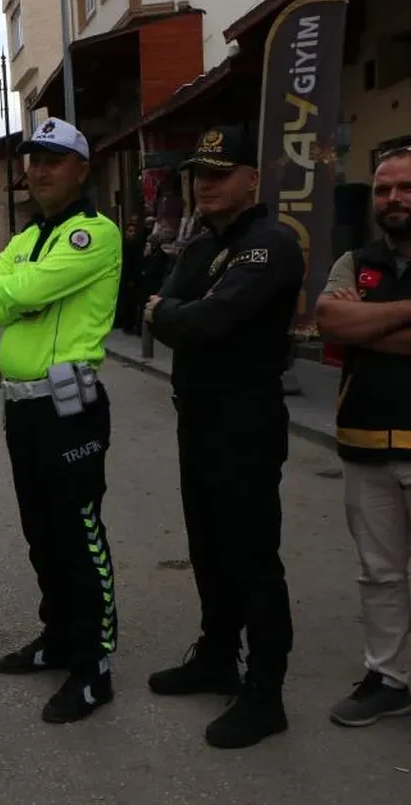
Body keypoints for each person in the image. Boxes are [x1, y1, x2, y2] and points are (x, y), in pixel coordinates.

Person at [144, 125, 305, 749]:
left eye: (218, 173)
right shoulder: (200, 246)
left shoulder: (270, 245)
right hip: (198, 416)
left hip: (246, 420)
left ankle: (266, 691)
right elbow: (152, 305)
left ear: (251, 179)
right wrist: (174, 311)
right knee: (208, 547)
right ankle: (217, 655)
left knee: (251, 555)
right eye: (198, 174)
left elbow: (206, 319)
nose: (204, 184)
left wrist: (173, 312)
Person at [0, 118, 122, 724]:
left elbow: (9, 295)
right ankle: (58, 637)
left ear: (81, 169)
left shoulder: (93, 234)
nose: (40, 169)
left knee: (79, 537)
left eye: (54, 159)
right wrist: (19, 292)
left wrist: (15, 293)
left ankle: (94, 665)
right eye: (34, 159)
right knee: (41, 534)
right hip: (23, 406)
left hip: (68, 406)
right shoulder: (27, 237)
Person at [315, 147, 411, 727]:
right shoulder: (355, 261)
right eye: (382, 189)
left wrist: (370, 322)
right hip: (366, 439)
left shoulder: (363, 281)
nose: (394, 199)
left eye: (405, 187)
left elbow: (353, 327)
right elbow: (330, 322)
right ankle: (390, 677)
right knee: (379, 571)